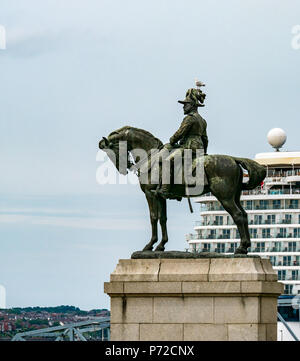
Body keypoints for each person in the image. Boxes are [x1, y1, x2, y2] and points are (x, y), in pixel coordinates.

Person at [156, 87, 209, 198]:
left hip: (188, 147)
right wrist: (204, 152)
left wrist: (171, 141)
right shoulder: (202, 120)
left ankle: (165, 190)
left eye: (186, 104)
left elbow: (179, 133)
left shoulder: (189, 118)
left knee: (167, 161)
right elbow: (205, 139)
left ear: (193, 105)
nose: (183, 107)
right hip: (199, 148)